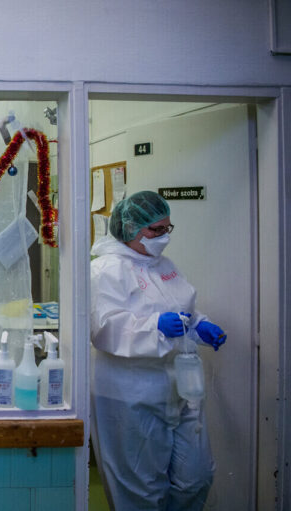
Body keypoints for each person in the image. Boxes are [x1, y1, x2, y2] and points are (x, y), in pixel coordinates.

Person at [89, 190, 226, 511]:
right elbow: (104, 328)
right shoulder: (106, 270)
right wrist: (155, 327)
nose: (165, 236)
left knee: (197, 477)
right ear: (130, 228)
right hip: (131, 395)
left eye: (167, 228)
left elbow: (181, 310)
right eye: (156, 230)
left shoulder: (164, 265)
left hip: (180, 387)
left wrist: (200, 325)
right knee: (140, 488)